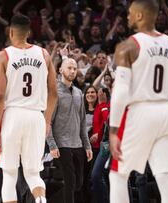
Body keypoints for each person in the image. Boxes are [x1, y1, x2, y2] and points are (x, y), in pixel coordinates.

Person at [108, 0, 168, 203]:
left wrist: (114, 130)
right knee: (165, 177)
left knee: (118, 175)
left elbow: (120, 92)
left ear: (141, 15)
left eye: (131, 13)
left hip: (142, 111)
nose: (128, 16)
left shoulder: (129, 46)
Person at [0, 14, 58, 203]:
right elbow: (53, 92)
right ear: (28, 32)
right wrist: (47, 121)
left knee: (10, 174)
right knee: (33, 173)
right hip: (36, 116)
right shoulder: (44, 54)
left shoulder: (3, 55)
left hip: (13, 115)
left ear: (10, 31)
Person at [46, 57, 92, 203]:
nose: (72, 71)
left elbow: (83, 121)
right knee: (71, 181)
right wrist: (52, 144)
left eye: (74, 68)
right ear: (60, 70)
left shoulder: (79, 93)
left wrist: (87, 145)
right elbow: (47, 121)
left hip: (77, 144)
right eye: (69, 68)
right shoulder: (54, 93)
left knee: (78, 183)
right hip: (61, 144)